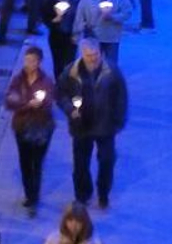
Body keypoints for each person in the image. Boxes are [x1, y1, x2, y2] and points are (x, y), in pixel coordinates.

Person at [55, 41, 128, 209]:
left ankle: (103, 193)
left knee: (107, 161)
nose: (93, 59)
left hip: (105, 126)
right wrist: (69, 109)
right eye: (89, 56)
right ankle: (82, 195)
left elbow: (121, 97)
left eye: (96, 55)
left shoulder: (112, 71)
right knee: (80, 163)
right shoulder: (71, 71)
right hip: (81, 125)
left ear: (100, 53)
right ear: (82, 54)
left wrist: (118, 121)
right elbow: (60, 93)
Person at [2, 47, 55, 217]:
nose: (28, 64)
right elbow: (10, 101)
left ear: (39, 62)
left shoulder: (46, 81)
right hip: (22, 127)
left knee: (36, 163)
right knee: (25, 162)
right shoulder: (19, 79)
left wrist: (38, 103)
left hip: (41, 127)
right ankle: (29, 194)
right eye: (26, 60)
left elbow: (49, 103)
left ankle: (34, 198)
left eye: (32, 60)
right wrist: (27, 103)